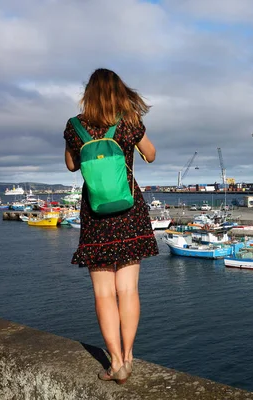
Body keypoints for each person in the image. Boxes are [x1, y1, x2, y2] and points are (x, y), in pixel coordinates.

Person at [63, 68, 159, 384]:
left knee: (104, 293)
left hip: (95, 214)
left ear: (88, 94)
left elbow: (71, 165)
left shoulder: (75, 126)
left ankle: (115, 363)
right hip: (130, 210)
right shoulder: (130, 122)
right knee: (128, 289)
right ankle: (129, 357)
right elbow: (151, 154)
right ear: (120, 92)